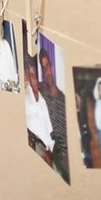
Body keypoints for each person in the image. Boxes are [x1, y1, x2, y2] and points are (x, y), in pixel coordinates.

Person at [39, 48, 70, 182]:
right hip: (59, 152)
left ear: (52, 67)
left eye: (48, 66)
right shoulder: (42, 90)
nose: (47, 70)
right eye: (43, 67)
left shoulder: (63, 97)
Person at [25, 57, 55, 164]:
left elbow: (46, 118)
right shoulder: (27, 98)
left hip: (48, 141)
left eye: (35, 75)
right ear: (27, 78)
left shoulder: (41, 95)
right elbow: (33, 121)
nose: (35, 79)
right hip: (40, 141)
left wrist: (51, 137)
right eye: (32, 76)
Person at [0, 20, 19, 91]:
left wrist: (13, 85)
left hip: (11, 84)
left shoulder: (6, 44)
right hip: (2, 86)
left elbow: (12, 68)